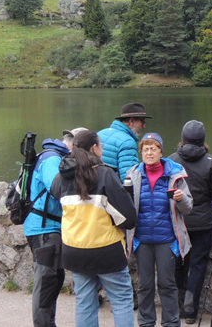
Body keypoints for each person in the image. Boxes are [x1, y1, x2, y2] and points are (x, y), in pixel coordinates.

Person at [50, 130, 138, 327]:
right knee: (122, 299)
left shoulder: (62, 176)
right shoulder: (105, 174)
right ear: (95, 148)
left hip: (74, 249)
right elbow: (128, 218)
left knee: (84, 301)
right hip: (106, 249)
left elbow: (55, 195)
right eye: (102, 146)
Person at [126, 133, 194, 327]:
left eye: (153, 149)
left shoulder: (175, 174)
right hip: (142, 240)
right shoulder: (133, 174)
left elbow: (188, 209)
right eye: (145, 149)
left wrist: (181, 199)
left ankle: (171, 323)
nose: (149, 152)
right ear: (141, 153)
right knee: (145, 286)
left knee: (167, 285)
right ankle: (146, 323)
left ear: (160, 151)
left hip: (166, 240)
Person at [24, 127, 85, 327]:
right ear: (74, 145)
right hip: (43, 228)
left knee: (54, 279)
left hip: (50, 227)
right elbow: (58, 188)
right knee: (46, 282)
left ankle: (49, 323)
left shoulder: (53, 156)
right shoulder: (51, 159)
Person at [167, 120, 212, 324]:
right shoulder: (211, 161)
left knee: (178, 262)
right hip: (202, 222)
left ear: (183, 139)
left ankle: (175, 305)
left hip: (178, 220)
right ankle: (191, 309)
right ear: (203, 140)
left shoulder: (171, 160)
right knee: (198, 265)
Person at [98, 102, 151, 182]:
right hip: (112, 191)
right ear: (131, 121)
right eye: (142, 122)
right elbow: (129, 178)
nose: (144, 126)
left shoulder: (100, 133)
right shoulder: (128, 142)